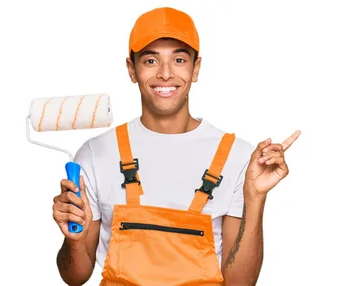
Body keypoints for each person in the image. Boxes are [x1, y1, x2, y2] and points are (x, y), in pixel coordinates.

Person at [50, 6, 300, 286]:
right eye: (150, 61)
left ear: (196, 69)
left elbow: (239, 283)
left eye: (179, 59)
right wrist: (73, 239)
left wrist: (255, 198)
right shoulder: (95, 154)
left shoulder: (237, 157)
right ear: (132, 69)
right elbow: (75, 276)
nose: (166, 74)